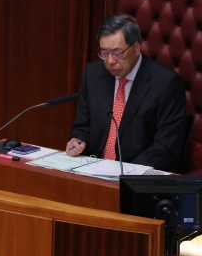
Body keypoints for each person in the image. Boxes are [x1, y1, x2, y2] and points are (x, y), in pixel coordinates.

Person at [67, 14, 186, 172]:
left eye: (117, 53)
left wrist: (124, 173)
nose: (110, 61)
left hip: (139, 175)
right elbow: (82, 125)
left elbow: (165, 147)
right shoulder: (93, 74)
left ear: (136, 48)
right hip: (94, 171)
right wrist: (78, 140)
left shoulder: (166, 83)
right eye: (104, 53)